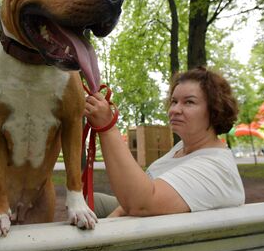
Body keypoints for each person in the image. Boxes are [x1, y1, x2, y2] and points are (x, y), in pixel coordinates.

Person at [84, 66, 245, 218]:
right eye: (174, 101)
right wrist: (117, 213)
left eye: (189, 102)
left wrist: (107, 128)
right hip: (150, 219)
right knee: (91, 201)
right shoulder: (182, 147)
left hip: (157, 235)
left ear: (215, 110)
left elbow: (142, 204)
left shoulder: (216, 168)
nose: (174, 110)